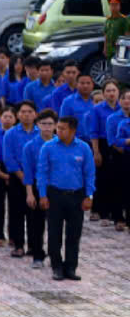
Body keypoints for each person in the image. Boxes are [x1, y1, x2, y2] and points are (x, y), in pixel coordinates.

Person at [39, 114, 95, 281]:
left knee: (74, 234)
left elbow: (89, 173)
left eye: (63, 128)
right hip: (54, 194)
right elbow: (42, 172)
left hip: (76, 195)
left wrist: (89, 195)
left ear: (73, 130)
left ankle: (70, 267)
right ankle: (56, 266)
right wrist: (42, 195)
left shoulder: (84, 148)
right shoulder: (48, 147)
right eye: (58, 127)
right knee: (54, 232)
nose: (59, 131)